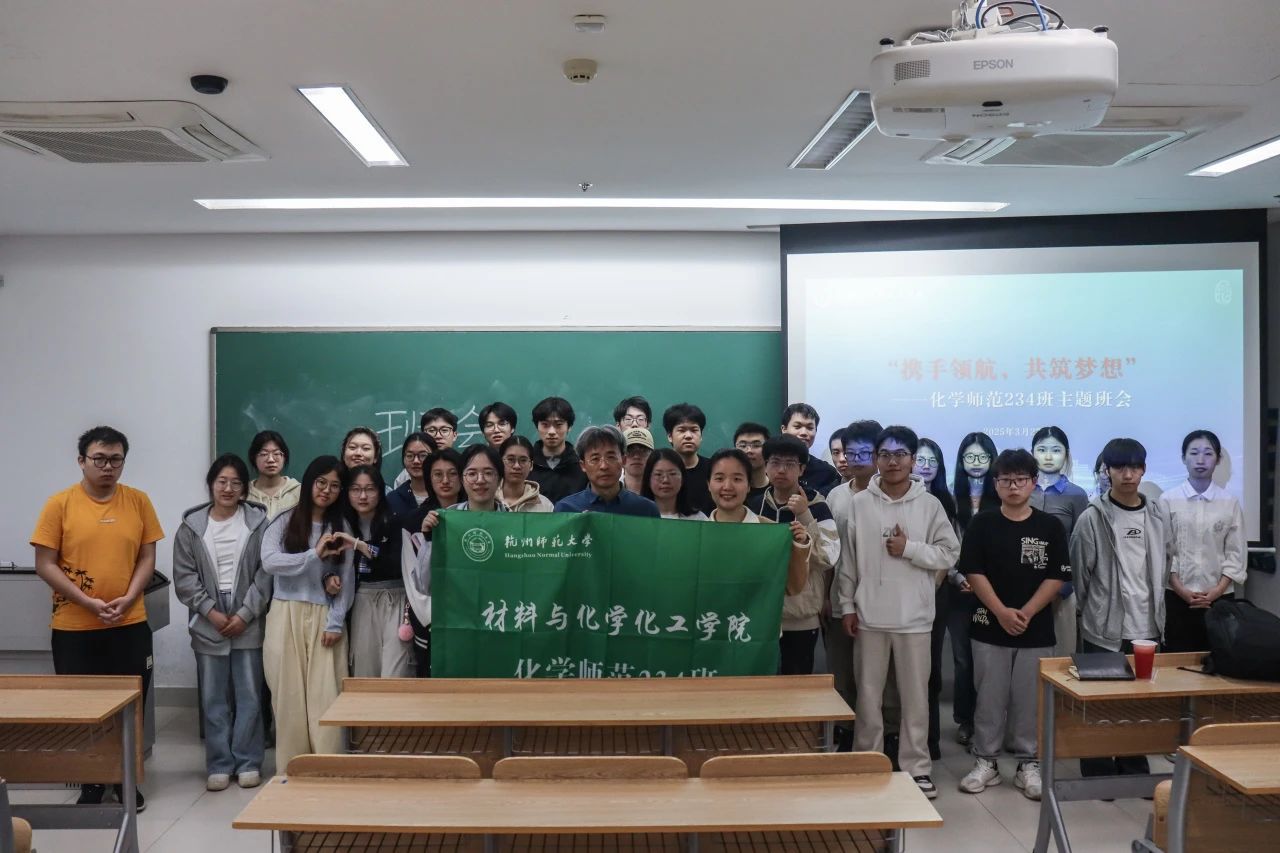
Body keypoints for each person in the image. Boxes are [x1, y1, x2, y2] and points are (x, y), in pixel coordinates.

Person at [31, 425, 163, 811]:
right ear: (81, 461)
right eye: (99, 459)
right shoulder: (59, 504)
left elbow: (147, 557)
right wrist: (88, 602)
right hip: (75, 627)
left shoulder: (138, 501)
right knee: (83, 706)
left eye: (116, 460)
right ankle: (90, 780)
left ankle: (125, 781)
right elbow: (44, 563)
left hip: (129, 622)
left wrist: (129, 596)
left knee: (130, 705)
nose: (108, 467)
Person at [835, 426, 960, 800]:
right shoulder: (859, 504)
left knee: (915, 699)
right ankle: (868, 759)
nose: (893, 462)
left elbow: (949, 553)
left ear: (912, 460)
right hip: (869, 616)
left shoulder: (929, 504)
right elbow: (848, 562)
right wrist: (847, 606)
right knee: (867, 695)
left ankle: (917, 767)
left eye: (900, 454)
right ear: (877, 459)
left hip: (915, 618)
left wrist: (909, 549)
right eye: (885, 454)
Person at [957, 449, 1069, 801]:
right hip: (988, 625)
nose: (1014, 486)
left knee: (1029, 699)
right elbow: (973, 571)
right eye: (1006, 480)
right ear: (996, 484)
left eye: (1021, 479)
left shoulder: (1050, 526)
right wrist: (1002, 612)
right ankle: (986, 761)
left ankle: (1028, 764)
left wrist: (1027, 612)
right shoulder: (983, 523)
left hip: (1036, 628)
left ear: (1033, 483)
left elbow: (1057, 576)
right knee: (988, 697)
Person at [1070, 437, 1174, 778]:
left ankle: (1133, 764)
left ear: (1143, 470)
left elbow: (1167, 560)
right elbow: (1080, 574)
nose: (1127, 475)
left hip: (1148, 626)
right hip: (1103, 626)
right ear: (1107, 471)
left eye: (1134, 467)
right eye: (1119, 467)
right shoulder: (1092, 518)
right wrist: (1093, 612)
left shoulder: (1157, 515)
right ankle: (1098, 768)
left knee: (1138, 702)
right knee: (1101, 701)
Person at [172, 453, 272, 791]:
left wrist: (245, 614)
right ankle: (218, 763)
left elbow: (266, 573)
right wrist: (211, 611)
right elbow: (185, 578)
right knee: (213, 698)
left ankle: (248, 762)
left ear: (245, 488)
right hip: (208, 618)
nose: (228, 488)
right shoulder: (191, 527)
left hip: (248, 614)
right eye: (222, 482)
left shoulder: (258, 524)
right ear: (211, 485)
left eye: (236, 483)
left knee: (250, 695)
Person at [260, 456, 355, 767]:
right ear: (309, 482)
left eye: (335, 486)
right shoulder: (284, 520)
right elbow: (269, 562)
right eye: (321, 482)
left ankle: (328, 766)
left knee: (326, 695)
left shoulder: (341, 527)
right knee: (287, 695)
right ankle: (293, 767)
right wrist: (313, 555)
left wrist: (336, 622)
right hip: (285, 612)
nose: (326, 490)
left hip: (325, 617)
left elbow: (347, 578)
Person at [747, 435, 839, 675]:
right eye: (775, 462)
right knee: (760, 683)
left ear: (802, 469)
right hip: (760, 613)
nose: (781, 470)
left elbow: (828, 557)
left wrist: (806, 516)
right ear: (765, 465)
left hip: (800, 614)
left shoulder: (817, 505)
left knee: (796, 686)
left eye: (790, 464)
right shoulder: (754, 506)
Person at [406, 447, 512, 641]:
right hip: (456, 626)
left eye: (488, 473)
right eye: (471, 473)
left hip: (503, 622)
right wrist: (430, 541)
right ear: (462, 479)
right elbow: (424, 586)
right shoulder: (444, 523)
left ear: (500, 479)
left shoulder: (516, 525)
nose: (480, 480)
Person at [1161, 429, 1245, 652]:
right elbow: (1165, 551)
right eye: (1194, 453)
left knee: (1220, 658)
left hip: (1220, 598)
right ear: (1183, 458)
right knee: (1176, 660)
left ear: (1218, 459)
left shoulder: (1229, 502)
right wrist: (1181, 589)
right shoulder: (1168, 500)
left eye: (1208, 453)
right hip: (1176, 597)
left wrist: (1217, 590)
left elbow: (1236, 552)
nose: (1200, 460)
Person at [824, 418, 882, 739]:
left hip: (881, 603)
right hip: (840, 599)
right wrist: (824, 595)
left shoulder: (892, 494)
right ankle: (844, 733)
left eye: (864, 452)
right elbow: (830, 550)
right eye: (850, 453)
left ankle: (877, 736)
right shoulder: (835, 496)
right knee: (842, 672)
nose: (855, 459)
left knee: (878, 677)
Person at [949, 431, 999, 747]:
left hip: (994, 593)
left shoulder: (1002, 497)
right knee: (963, 660)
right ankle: (965, 720)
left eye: (982, 456)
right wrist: (957, 577)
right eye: (970, 456)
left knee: (989, 661)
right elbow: (946, 545)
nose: (976, 462)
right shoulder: (951, 497)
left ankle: (990, 720)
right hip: (959, 591)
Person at [706, 448, 812, 597]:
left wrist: (798, 547)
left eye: (737, 479)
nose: (727, 486)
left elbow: (792, 588)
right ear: (708, 484)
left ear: (749, 485)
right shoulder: (697, 534)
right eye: (719, 478)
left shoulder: (770, 532)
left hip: (754, 612)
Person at [914, 437, 961, 763]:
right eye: (920, 459)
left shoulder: (945, 500)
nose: (926, 466)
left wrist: (930, 589)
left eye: (932, 461)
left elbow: (948, 553)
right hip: (901, 593)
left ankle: (930, 740)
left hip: (935, 593)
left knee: (930, 668)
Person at [340, 464, 411, 679]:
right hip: (361, 599)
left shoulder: (395, 521)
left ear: (380, 492)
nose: (363, 496)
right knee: (364, 670)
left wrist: (361, 546)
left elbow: (395, 564)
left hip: (395, 597)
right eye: (356, 489)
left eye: (370, 489)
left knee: (395, 672)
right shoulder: (342, 524)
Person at [401, 447, 465, 675]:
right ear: (429, 478)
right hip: (430, 621)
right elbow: (412, 579)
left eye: (453, 473)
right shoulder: (414, 521)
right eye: (438, 474)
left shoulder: (476, 516)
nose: (445, 481)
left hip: (471, 616)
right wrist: (431, 619)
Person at [1029, 426, 1090, 656]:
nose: (1048, 456)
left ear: (1066, 455)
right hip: (1024, 585)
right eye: (1041, 450)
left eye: (1055, 450)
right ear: (1032, 453)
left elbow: (1079, 546)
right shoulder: (1023, 489)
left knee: (1062, 654)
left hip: (1062, 588)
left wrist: (1065, 587)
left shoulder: (1077, 494)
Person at [554, 426, 661, 517]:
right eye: (595, 459)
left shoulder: (647, 510)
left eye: (611, 457)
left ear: (623, 460)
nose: (604, 466)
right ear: (583, 465)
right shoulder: (566, 509)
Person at [528, 396, 588, 503]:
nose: (551, 431)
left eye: (558, 425)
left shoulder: (582, 465)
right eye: (545, 425)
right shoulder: (525, 463)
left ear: (569, 427)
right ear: (537, 426)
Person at [780, 403, 841, 496]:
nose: (804, 433)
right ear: (784, 429)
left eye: (810, 428)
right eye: (797, 427)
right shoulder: (769, 467)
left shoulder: (827, 472)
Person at [664, 403, 714, 515]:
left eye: (694, 430)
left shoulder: (713, 469)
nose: (688, 436)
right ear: (670, 436)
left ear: (701, 436)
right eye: (681, 430)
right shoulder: (659, 471)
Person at [247, 430, 301, 521]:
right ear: (254, 458)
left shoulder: (299, 492)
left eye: (276, 453)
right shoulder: (244, 494)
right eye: (264, 454)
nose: (271, 460)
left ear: (284, 457)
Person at [641, 448, 707, 520]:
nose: (665, 480)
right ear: (648, 479)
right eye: (658, 474)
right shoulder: (637, 516)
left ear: (682, 479)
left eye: (672, 474)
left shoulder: (698, 519)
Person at [385, 432, 437, 521]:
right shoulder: (393, 498)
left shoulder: (444, 494)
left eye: (423, 455)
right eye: (410, 456)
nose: (416, 461)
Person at [498, 435, 554, 512]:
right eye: (510, 459)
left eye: (523, 460)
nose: (517, 466)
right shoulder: (488, 500)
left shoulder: (545, 506)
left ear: (531, 465)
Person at [733, 422, 772, 500]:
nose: (749, 450)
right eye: (743, 446)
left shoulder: (777, 488)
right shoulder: (728, 489)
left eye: (756, 445)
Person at [621, 427, 654, 495]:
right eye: (629, 450)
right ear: (621, 456)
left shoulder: (662, 490)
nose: (636, 456)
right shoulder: (610, 491)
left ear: (652, 456)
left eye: (643, 450)